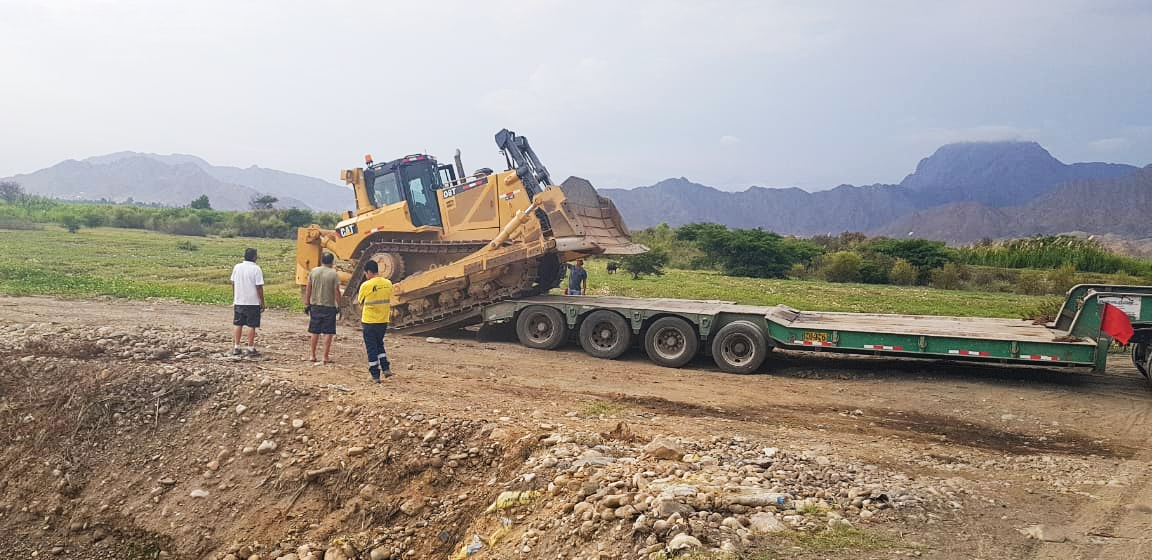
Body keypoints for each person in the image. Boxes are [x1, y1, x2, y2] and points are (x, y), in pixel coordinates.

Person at [357, 260, 393, 383]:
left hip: (369, 321)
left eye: (365, 273)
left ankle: (375, 375)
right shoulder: (388, 283)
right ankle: (386, 368)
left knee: (372, 348)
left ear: (369, 272)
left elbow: (360, 302)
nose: (365, 276)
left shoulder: (366, 286)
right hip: (383, 321)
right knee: (379, 344)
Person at [304, 252, 341, 364]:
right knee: (328, 332)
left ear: (321, 260)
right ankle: (325, 357)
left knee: (314, 331)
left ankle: (312, 355)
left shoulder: (314, 271)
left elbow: (308, 288)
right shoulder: (333, 274)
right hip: (329, 306)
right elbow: (336, 292)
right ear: (332, 262)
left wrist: (307, 303)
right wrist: (340, 305)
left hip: (315, 305)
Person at [230, 247, 265, 357]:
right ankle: (250, 347)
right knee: (251, 325)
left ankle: (236, 346)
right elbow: (259, 287)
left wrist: (235, 295)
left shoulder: (237, 267)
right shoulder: (256, 269)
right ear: (255, 257)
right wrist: (262, 301)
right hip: (252, 301)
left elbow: (233, 282)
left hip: (239, 300)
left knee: (238, 323)